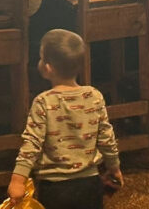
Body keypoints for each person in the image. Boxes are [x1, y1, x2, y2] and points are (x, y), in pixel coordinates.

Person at [9, 29, 122, 209]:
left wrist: (18, 179)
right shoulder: (94, 96)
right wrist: (114, 167)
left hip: (53, 188)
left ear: (48, 68)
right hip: (90, 183)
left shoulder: (43, 102)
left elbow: (32, 142)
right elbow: (107, 138)